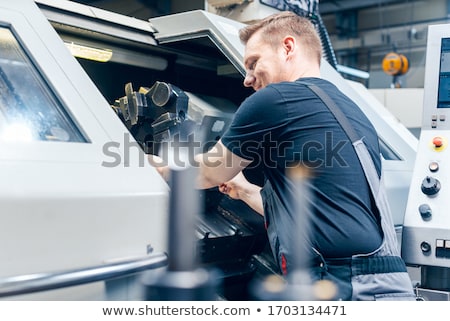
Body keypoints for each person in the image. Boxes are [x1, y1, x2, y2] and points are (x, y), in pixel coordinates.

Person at [150, 11, 415, 300]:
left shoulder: (276, 99)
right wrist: (246, 191)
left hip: (342, 287)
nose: (247, 80)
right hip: (390, 287)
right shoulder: (351, 109)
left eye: (253, 63)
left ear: (288, 47)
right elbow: (323, 208)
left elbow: (206, 173)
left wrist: (156, 168)